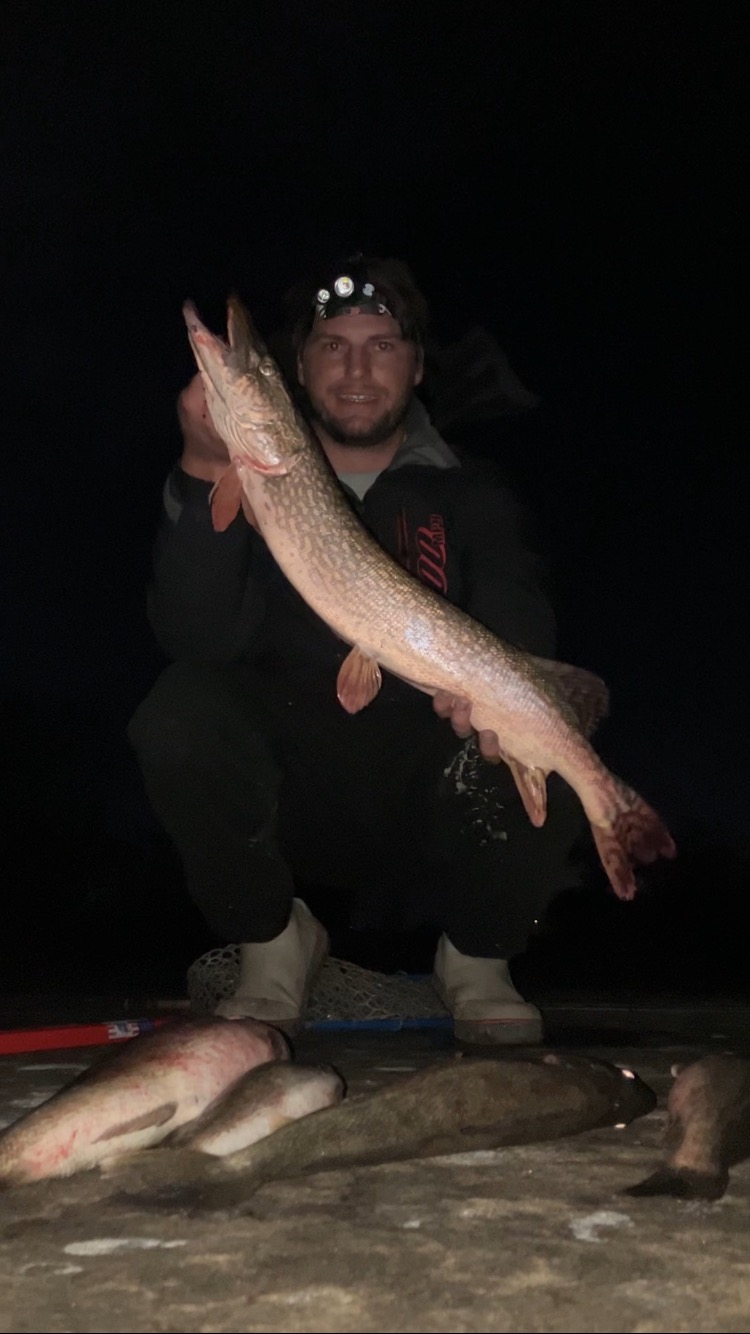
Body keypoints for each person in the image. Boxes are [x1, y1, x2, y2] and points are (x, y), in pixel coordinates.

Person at [128, 254, 585, 1044]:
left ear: (415, 368)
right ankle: (274, 946)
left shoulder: (474, 493)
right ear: (300, 369)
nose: (357, 368)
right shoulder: (252, 479)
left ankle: (478, 957)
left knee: (545, 735)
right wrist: (205, 466)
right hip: (291, 791)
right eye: (332, 346)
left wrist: (499, 701)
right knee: (176, 713)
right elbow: (194, 637)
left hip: (435, 783)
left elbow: (520, 623)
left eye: (382, 345)